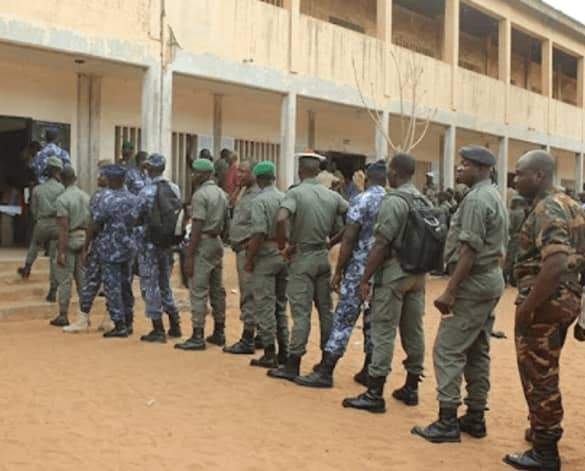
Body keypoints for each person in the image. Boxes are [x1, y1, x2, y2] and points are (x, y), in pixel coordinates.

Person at [412, 145, 507, 443]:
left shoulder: (477, 200)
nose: (459, 168)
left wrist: (450, 291)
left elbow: (469, 250)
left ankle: (447, 420)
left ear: (480, 169)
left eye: (464, 164)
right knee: (477, 349)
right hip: (489, 279)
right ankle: (475, 417)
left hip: (472, 283)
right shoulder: (492, 194)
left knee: (448, 349)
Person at [503, 150, 585, 471]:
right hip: (565, 299)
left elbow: (555, 262)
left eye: (520, 173)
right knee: (545, 368)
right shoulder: (571, 205)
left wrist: (528, 307)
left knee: (538, 374)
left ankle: (545, 451)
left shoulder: (547, 208)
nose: (515, 180)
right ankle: (540, 430)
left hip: (546, 302)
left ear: (539, 175)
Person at [342, 154, 430, 412]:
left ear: (395, 172)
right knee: (414, 330)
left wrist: (366, 278)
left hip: (394, 274)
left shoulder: (394, 201)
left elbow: (381, 243)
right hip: (418, 273)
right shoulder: (423, 199)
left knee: (383, 330)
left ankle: (374, 392)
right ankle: (411, 386)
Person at [293, 160, 386, 389]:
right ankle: (369, 369)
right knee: (372, 321)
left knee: (343, 319)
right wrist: (332, 241)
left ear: (366, 179)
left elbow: (350, 236)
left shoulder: (362, 199)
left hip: (359, 269)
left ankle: (326, 370)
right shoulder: (391, 200)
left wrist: (338, 272)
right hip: (382, 271)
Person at [267, 152, 349, 381]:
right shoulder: (331, 195)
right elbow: (354, 219)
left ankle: (293, 363)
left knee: (301, 313)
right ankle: (326, 361)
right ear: (318, 172)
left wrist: (284, 246)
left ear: (300, 171)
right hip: (323, 256)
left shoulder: (295, 193)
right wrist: (333, 241)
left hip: (302, 257)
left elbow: (281, 218)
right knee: (325, 311)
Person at [176, 159, 229, 351]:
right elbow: (227, 223)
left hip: (203, 242)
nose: (193, 176)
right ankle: (219, 331)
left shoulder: (200, 195)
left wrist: (190, 255)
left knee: (198, 289)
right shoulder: (221, 193)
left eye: (196, 172)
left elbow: (197, 225)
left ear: (206, 174)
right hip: (216, 241)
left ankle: (197, 335)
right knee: (217, 289)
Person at [132, 154, 182, 343]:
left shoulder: (146, 191)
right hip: (168, 244)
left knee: (150, 285)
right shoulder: (174, 188)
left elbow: (135, 216)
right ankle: (175, 324)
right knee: (165, 284)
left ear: (150, 169)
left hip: (149, 245)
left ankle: (158, 329)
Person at [245, 161, 290, 367]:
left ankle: (269, 352)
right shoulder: (285, 197)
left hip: (266, 254)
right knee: (280, 305)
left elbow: (258, 233)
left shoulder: (259, 200)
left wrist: (249, 259)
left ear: (258, 179)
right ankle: (285, 352)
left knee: (264, 305)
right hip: (284, 253)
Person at [87, 165, 137, 338]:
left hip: (110, 248)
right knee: (126, 285)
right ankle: (129, 321)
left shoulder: (105, 198)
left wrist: (88, 245)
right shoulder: (133, 198)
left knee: (112, 286)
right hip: (128, 247)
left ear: (110, 179)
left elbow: (95, 222)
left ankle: (119, 324)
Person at [64, 160, 114, 333]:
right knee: (113, 284)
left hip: (101, 246)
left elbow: (92, 225)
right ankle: (110, 319)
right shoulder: (126, 195)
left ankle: (83, 319)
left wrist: (86, 247)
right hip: (119, 248)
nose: (98, 178)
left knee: (92, 282)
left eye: (101, 174)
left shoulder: (99, 197)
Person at [223, 161, 261, 355]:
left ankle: (248, 338)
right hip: (242, 249)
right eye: (238, 171)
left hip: (249, 251)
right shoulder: (244, 192)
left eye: (243, 172)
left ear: (254, 174)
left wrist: (249, 250)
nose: (238, 175)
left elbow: (259, 228)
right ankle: (260, 336)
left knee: (249, 294)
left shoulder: (256, 196)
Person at [48, 167, 90, 328]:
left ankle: (63, 315)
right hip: (83, 237)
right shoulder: (86, 197)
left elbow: (63, 228)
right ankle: (84, 315)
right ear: (75, 178)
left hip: (70, 238)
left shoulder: (62, 199)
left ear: (61, 179)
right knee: (83, 280)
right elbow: (91, 223)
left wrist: (60, 252)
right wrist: (87, 245)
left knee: (65, 279)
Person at [30, 157, 65, 308]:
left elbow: (33, 209)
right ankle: (53, 290)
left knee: (34, 244)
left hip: (42, 222)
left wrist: (39, 218)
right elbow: (63, 208)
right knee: (54, 259)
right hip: (56, 224)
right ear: (57, 172)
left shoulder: (38, 189)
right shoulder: (62, 189)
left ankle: (27, 266)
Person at [504, 195, 528, 286]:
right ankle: (513, 279)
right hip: (521, 237)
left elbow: (510, 227)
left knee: (510, 258)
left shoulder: (512, 213)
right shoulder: (524, 212)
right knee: (517, 259)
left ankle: (505, 277)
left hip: (514, 237)